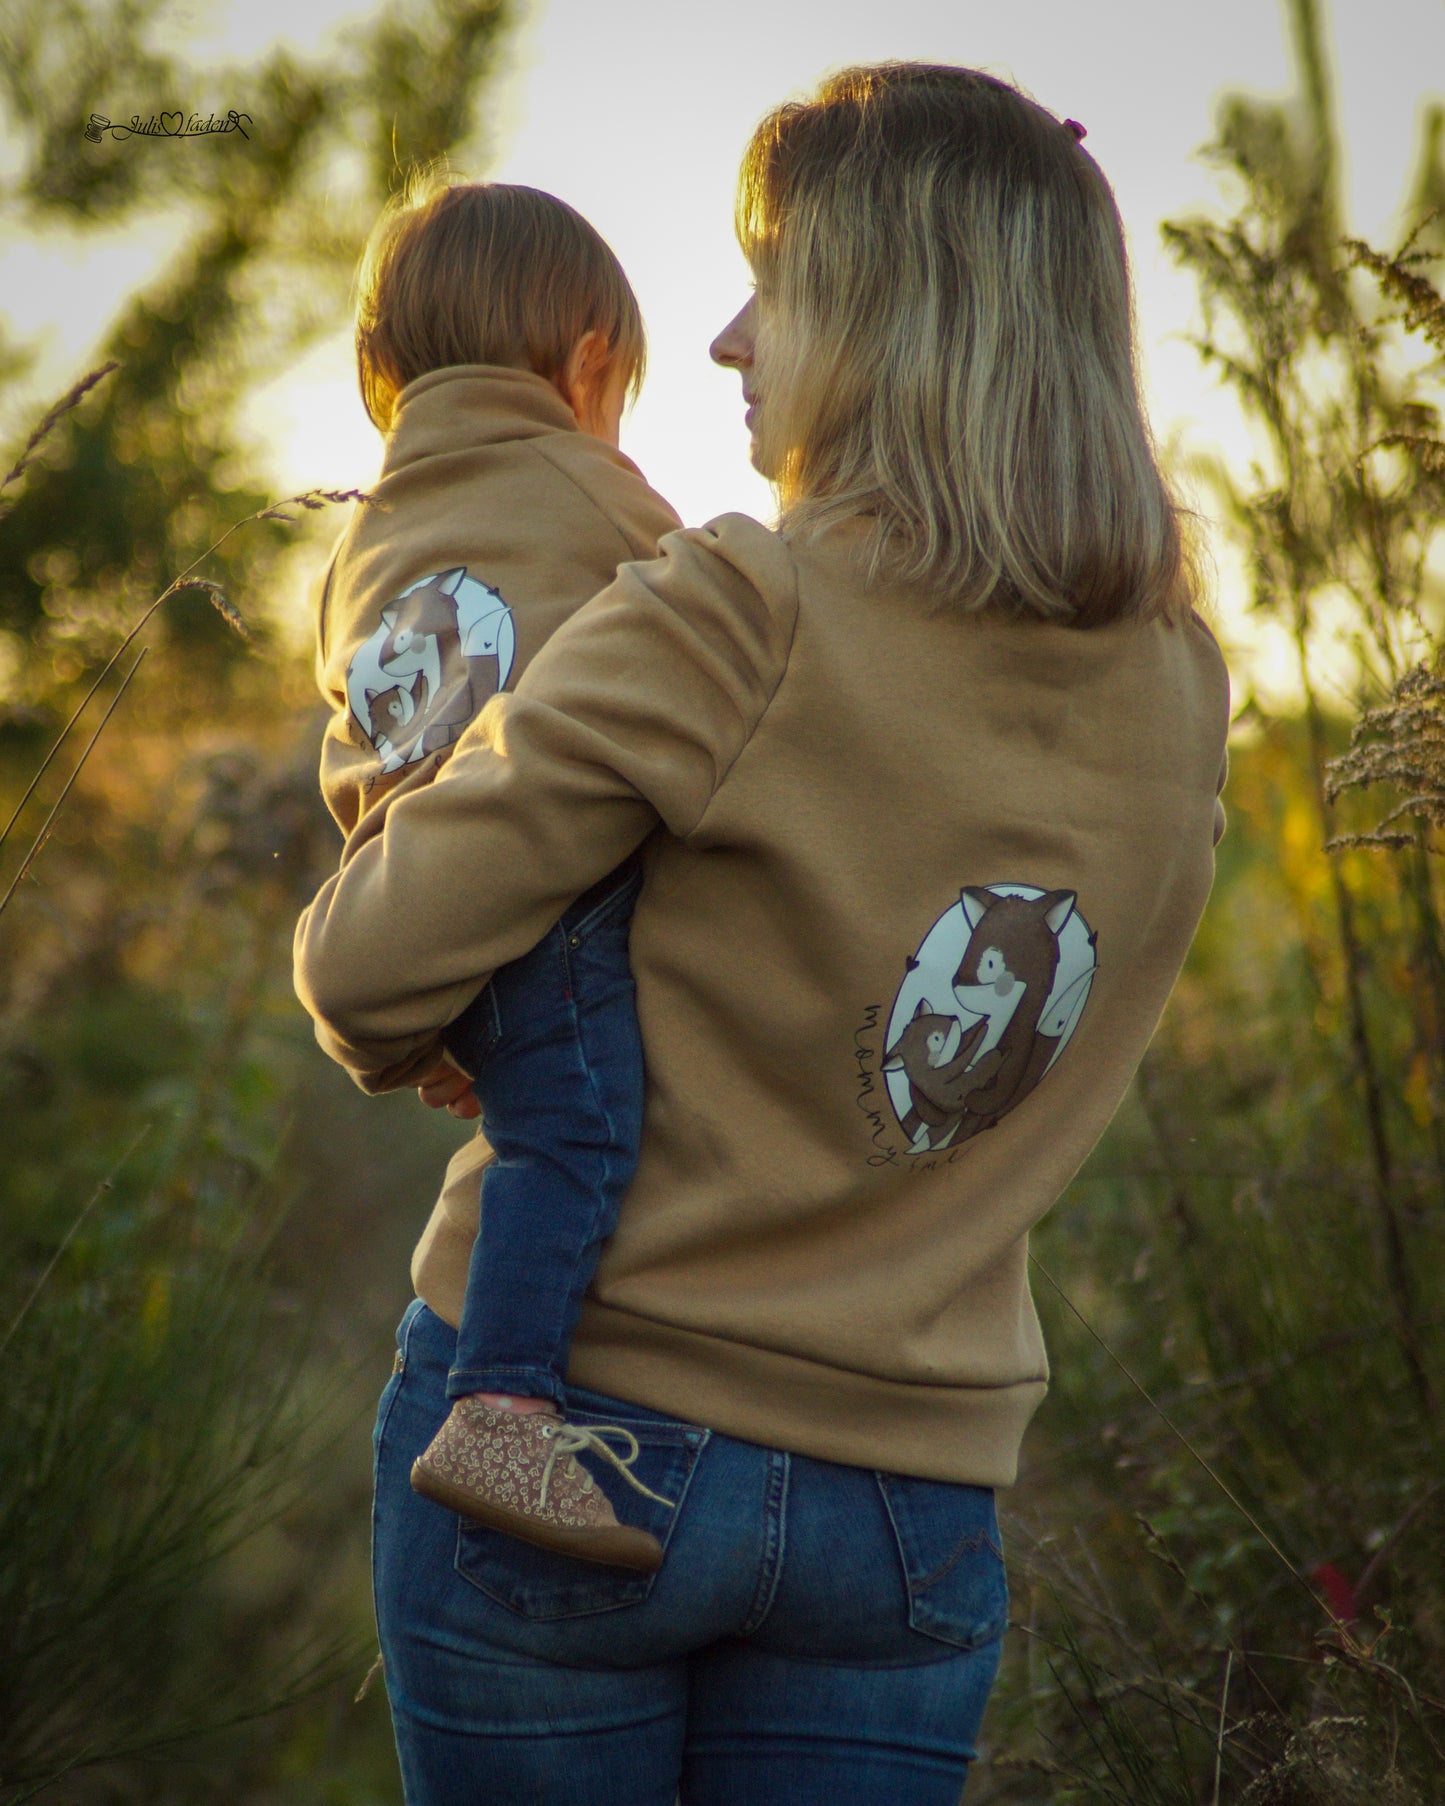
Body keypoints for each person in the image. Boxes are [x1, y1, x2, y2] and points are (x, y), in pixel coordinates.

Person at [294, 63, 1230, 1805]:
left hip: (561, 1432)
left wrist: (447, 1015)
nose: (725, 342)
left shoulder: (738, 605)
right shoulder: (1182, 686)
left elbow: (362, 963)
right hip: (905, 1495)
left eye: (769, 286)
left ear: (882, 316)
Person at [312, 172, 681, 1568]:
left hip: (413, 894)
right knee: (573, 1137)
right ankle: (503, 1407)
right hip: (551, 898)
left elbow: (353, 730)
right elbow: (711, 619)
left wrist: (438, 1002)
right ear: (588, 366)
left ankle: (498, 1384)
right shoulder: (588, 485)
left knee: (531, 1114)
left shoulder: (358, 541)